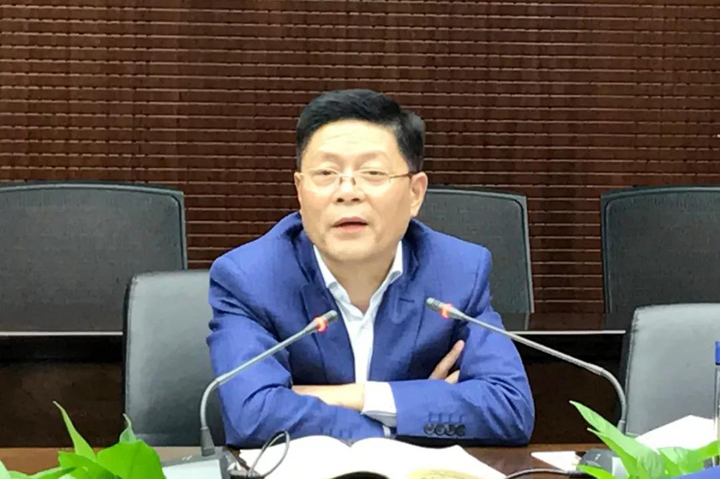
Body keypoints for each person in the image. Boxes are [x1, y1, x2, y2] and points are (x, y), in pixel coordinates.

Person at [207, 89, 534, 448]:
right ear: (300, 191)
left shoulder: (458, 272)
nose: (347, 192)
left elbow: (510, 409)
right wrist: (409, 413)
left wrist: (358, 396)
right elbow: (252, 416)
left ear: (415, 193)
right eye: (326, 173)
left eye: (373, 173)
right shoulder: (249, 278)